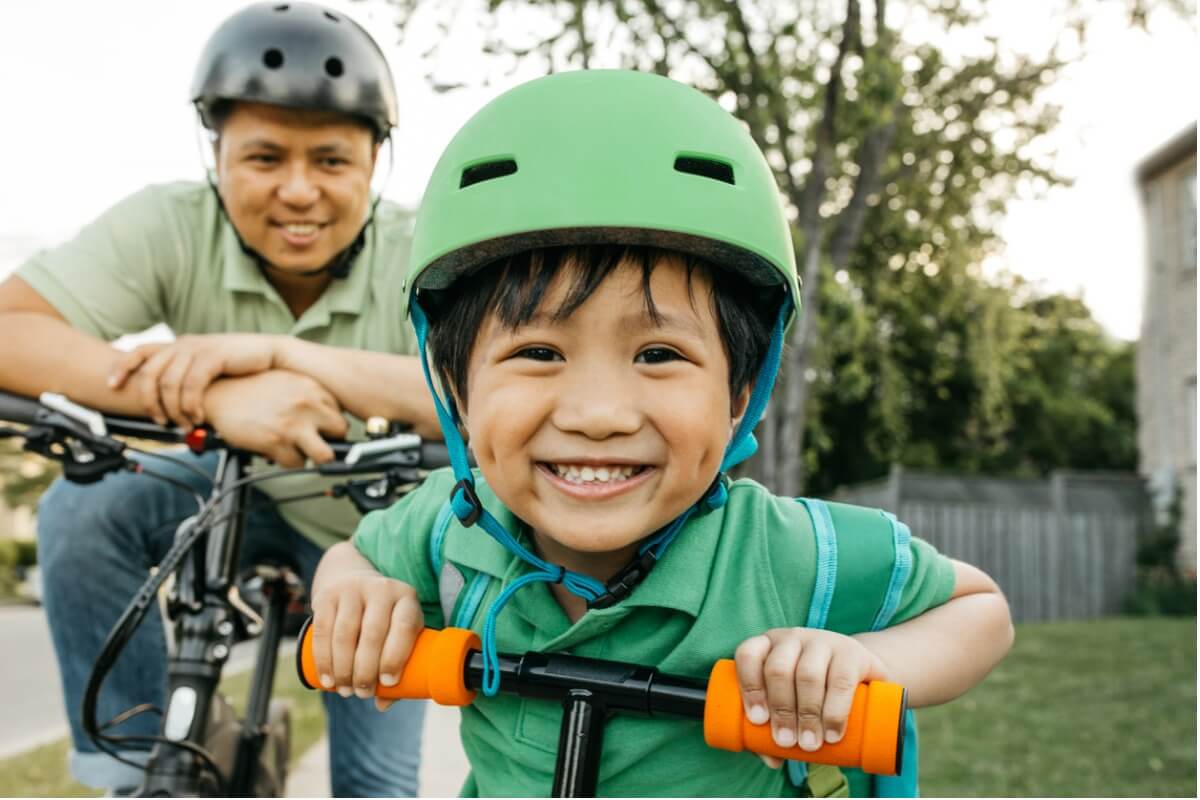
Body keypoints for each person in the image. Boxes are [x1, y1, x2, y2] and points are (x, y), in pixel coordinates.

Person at [307, 69, 1015, 797]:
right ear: (455, 390)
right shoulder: (452, 530)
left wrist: (865, 665)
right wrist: (357, 594)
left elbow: (977, 611)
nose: (599, 414)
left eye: (658, 355)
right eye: (539, 353)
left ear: (741, 391)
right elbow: (353, 558)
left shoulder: (781, 555)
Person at [0, 3, 436, 795]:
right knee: (80, 511)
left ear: (377, 161)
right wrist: (221, 403)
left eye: (331, 162)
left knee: (378, 786)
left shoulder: (427, 246)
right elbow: (9, 331)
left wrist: (286, 356)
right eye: (264, 157)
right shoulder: (170, 221)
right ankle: (130, 771)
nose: (298, 192)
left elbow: (487, 397)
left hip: (376, 533)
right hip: (228, 485)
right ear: (217, 155)